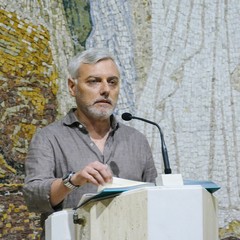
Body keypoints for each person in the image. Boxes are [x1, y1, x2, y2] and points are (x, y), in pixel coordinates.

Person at [23, 47, 157, 235]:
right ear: (72, 87)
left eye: (112, 82)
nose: (105, 90)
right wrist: (72, 181)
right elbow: (33, 197)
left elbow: (155, 200)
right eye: (94, 82)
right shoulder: (49, 138)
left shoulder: (136, 141)